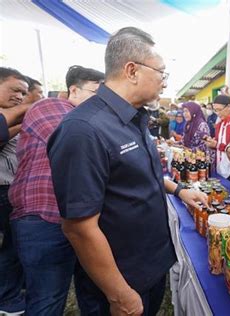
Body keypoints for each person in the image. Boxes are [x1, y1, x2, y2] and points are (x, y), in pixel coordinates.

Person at [47, 27, 207, 316]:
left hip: (150, 267)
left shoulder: (135, 118)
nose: (164, 83)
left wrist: (180, 190)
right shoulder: (84, 130)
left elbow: (143, 174)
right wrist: (119, 295)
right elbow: (79, 229)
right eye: (161, 73)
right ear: (132, 70)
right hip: (121, 280)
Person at [8, 65, 104, 315]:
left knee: (91, 292)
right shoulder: (51, 107)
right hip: (44, 219)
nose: (103, 99)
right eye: (97, 92)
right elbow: (83, 145)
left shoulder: (92, 119)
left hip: (77, 219)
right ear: (73, 89)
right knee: (47, 301)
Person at [0, 67, 29, 316]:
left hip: (11, 189)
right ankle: (7, 299)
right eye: (15, 90)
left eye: (24, 93)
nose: (20, 97)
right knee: (11, 246)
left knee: (13, 245)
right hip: (2, 190)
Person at [204, 95, 230, 180]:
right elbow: (218, 141)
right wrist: (211, 142)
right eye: (215, 110)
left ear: (229, 107)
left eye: (220, 110)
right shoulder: (220, 124)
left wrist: (217, 145)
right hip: (220, 167)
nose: (218, 113)